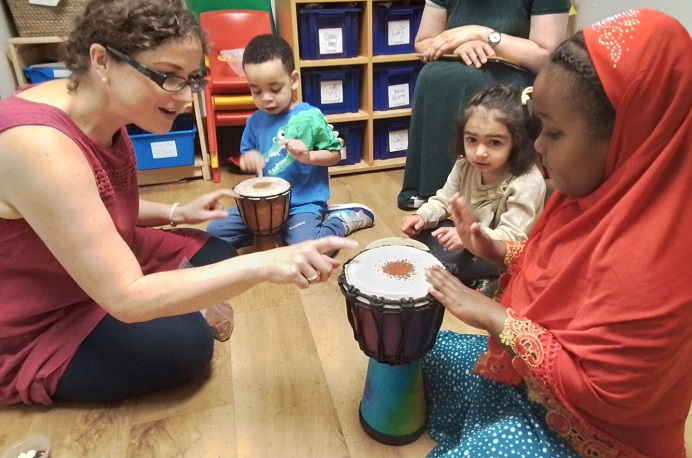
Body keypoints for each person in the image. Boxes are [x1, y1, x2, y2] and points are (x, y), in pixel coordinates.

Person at [0, 0, 358, 405]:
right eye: (169, 76)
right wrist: (265, 262)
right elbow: (125, 296)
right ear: (101, 60)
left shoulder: (98, 112)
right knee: (187, 345)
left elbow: (89, 206)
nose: (186, 96)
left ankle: (178, 301)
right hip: (49, 312)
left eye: (192, 79)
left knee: (219, 253)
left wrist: (175, 213)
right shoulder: (40, 146)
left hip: (106, 259)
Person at [420, 9, 692, 457]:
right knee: (422, 354)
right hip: (527, 375)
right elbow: (553, 268)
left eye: (555, 133)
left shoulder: (657, 261)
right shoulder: (585, 194)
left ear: (627, 137)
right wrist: (495, 248)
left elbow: (602, 393)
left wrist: (493, 316)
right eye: (539, 128)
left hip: (588, 431)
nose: (539, 147)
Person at [397, 0, 570, 210]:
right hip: (455, 65)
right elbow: (424, 41)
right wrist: (460, 45)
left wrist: (481, 34)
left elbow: (545, 57)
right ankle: (433, 195)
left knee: (477, 82)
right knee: (431, 76)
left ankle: (488, 198)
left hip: (514, 76)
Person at [206, 34, 374, 248]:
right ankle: (273, 231)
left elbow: (335, 154)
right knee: (215, 233)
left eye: (275, 89)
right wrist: (249, 158)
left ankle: (339, 221)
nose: (266, 97)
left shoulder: (310, 117)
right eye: (255, 90)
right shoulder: (255, 121)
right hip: (264, 205)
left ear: (293, 80)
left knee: (309, 250)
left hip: (303, 204)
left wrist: (309, 156)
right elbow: (247, 152)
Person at [400, 84, 545, 288]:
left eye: (494, 143)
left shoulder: (527, 181)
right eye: (472, 140)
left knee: (444, 262)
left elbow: (512, 238)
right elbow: (443, 201)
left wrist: (470, 239)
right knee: (423, 235)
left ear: (517, 142)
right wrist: (422, 216)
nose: (479, 153)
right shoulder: (465, 164)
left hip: (501, 250)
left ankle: (488, 280)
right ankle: (467, 274)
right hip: (471, 239)